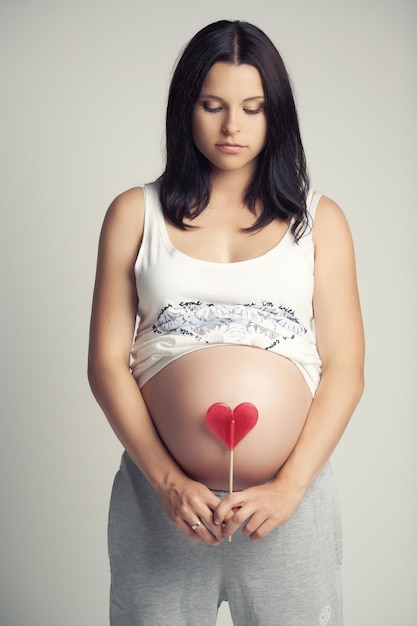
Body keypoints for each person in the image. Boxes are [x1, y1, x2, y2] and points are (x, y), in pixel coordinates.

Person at [88, 19, 364, 626]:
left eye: (252, 107)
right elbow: (106, 363)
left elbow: (346, 369)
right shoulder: (135, 214)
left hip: (286, 511)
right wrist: (165, 482)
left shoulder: (322, 222)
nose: (232, 126)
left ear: (276, 116)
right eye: (213, 105)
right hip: (161, 507)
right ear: (187, 109)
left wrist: (288, 489)